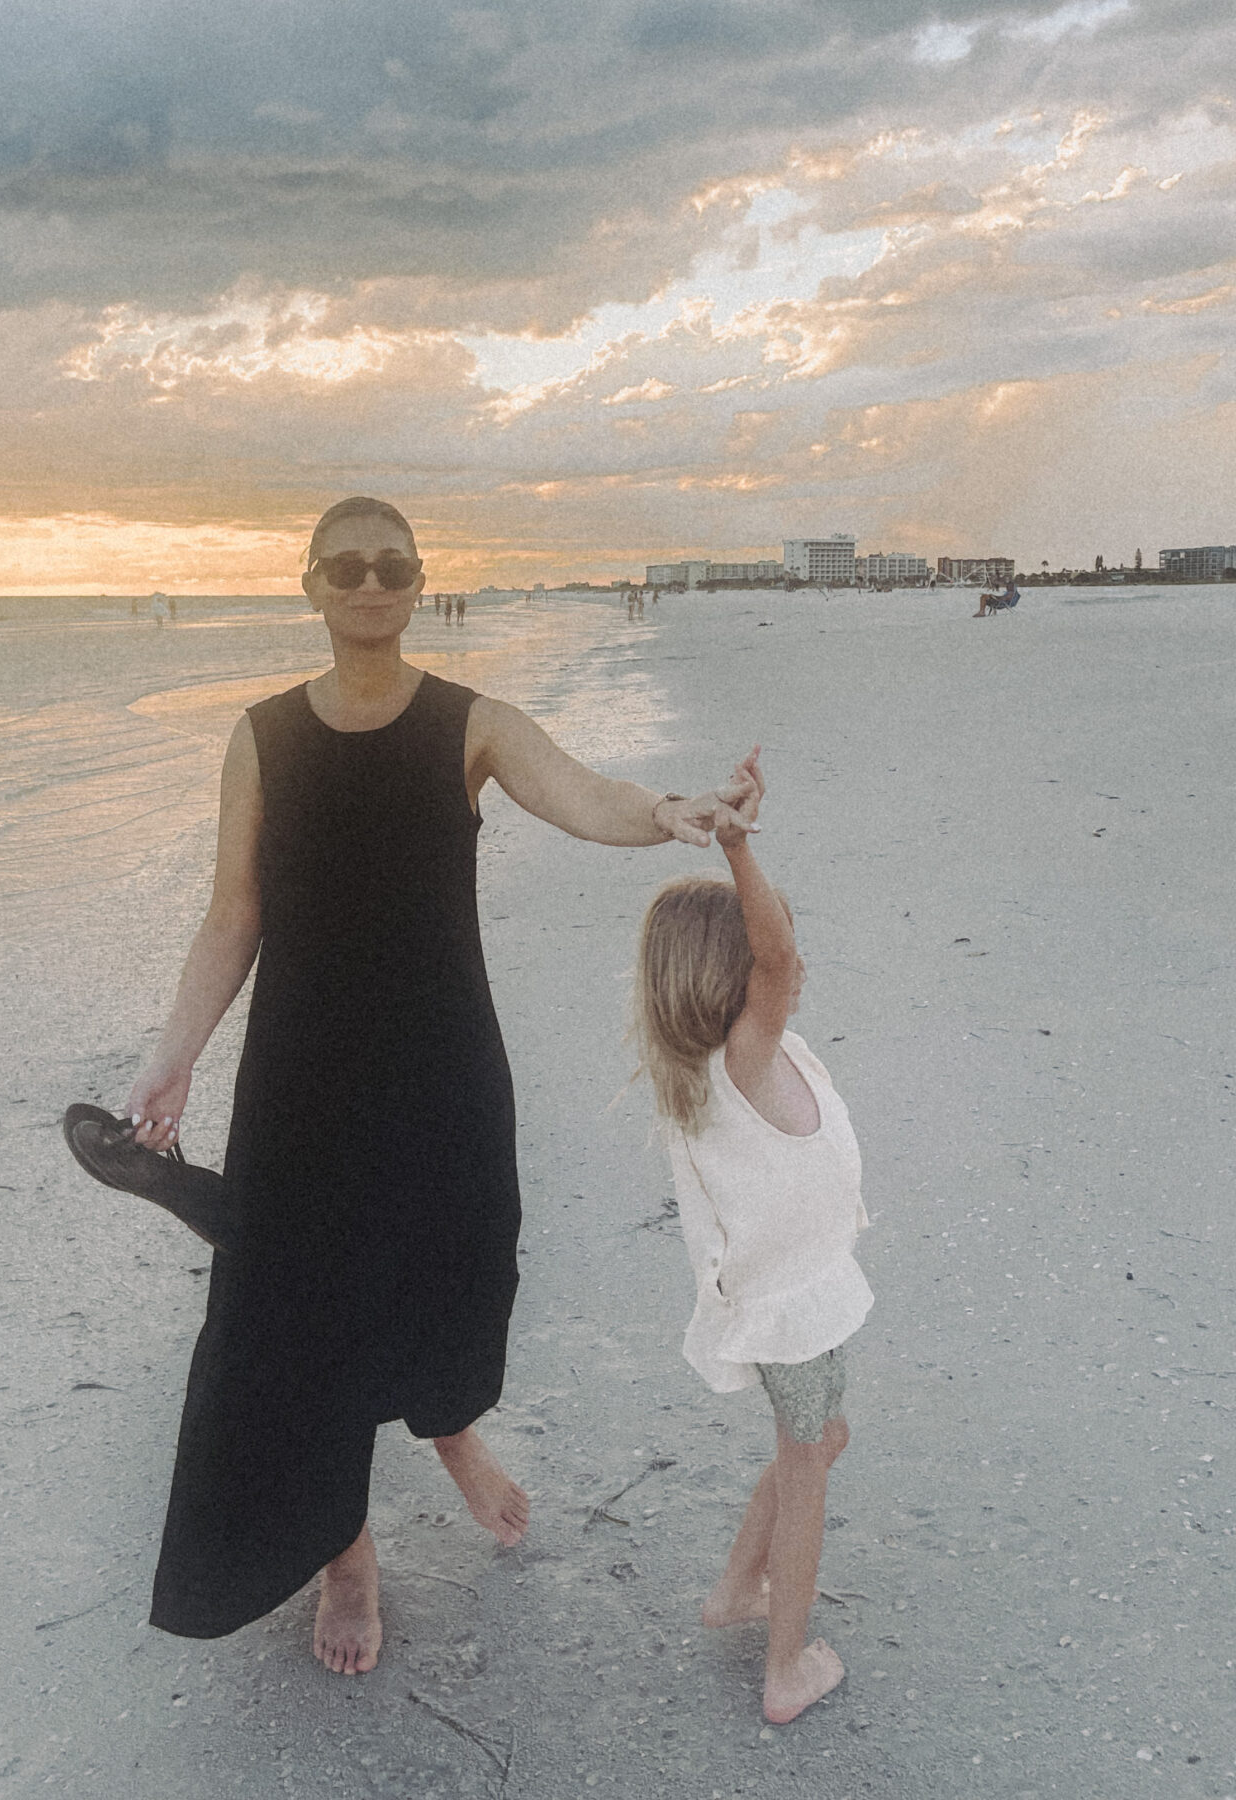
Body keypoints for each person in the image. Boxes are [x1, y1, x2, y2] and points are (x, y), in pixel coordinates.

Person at [125, 495, 758, 1675]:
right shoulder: (262, 735)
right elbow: (235, 911)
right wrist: (177, 1053)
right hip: (302, 1079)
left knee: (457, 1266)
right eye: (348, 567)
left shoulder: (471, 724)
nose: (372, 583)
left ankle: (448, 1423)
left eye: (393, 566)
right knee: (296, 1317)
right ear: (310, 583)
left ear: (419, 584)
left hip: (438, 1066)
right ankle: (347, 1557)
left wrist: (673, 812)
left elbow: (585, 794)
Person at [634, 753, 874, 1724]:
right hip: (797, 1313)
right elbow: (780, 959)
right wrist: (736, 848)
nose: (791, 965)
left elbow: (776, 957)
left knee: (816, 1437)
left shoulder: (711, 1066)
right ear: (734, 980)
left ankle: (737, 1589)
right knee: (810, 1461)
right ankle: (785, 1671)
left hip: (790, 1301)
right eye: (771, 960)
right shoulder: (746, 1056)